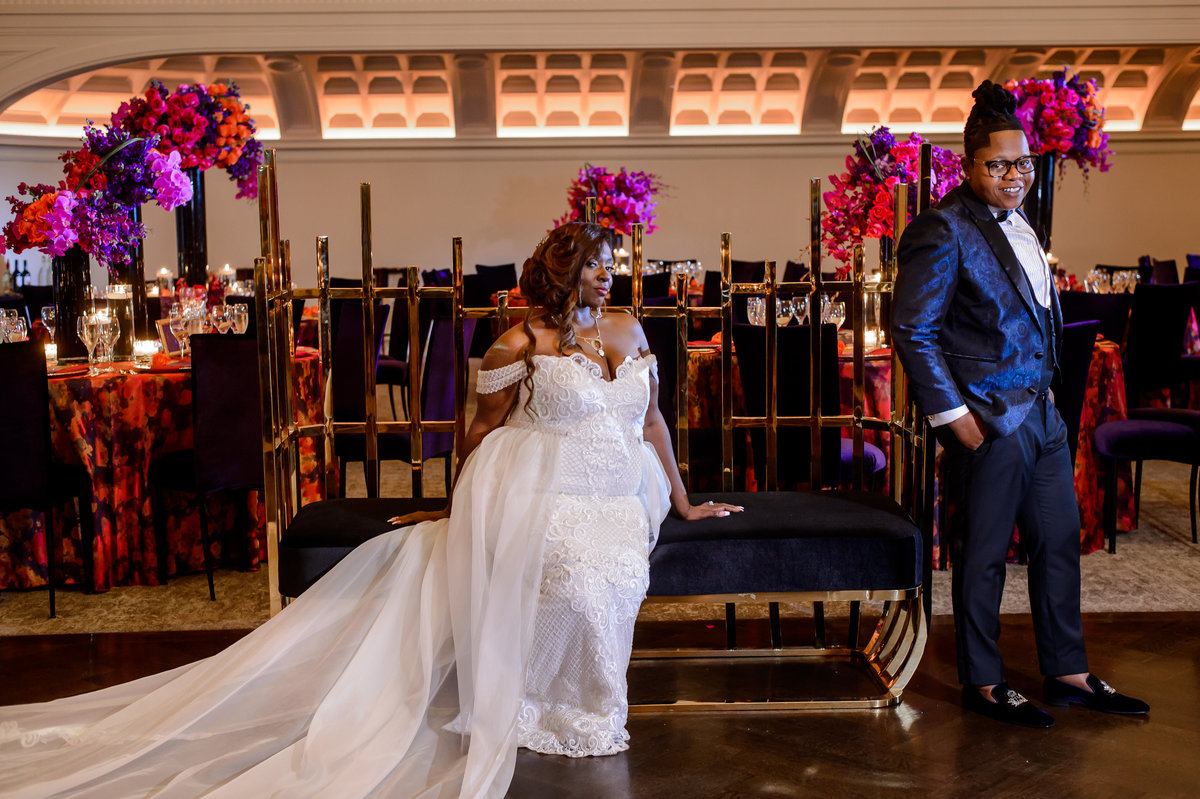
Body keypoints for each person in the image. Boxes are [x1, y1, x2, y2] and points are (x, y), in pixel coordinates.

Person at [0, 222, 741, 798]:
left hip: (626, 488)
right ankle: (545, 704)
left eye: (611, 262)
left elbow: (651, 423)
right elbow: (478, 434)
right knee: (579, 574)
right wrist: (464, 510)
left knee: (610, 568)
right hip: (545, 483)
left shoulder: (629, 330)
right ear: (563, 271)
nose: (608, 274)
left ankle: (586, 700)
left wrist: (682, 499)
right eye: (595, 263)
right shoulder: (517, 343)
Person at [891, 81, 1148, 728]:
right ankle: (983, 680)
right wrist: (956, 418)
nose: (1014, 176)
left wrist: (1050, 407)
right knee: (982, 556)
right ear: (971, 165)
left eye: (1023, 164)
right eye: (999, 165)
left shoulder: (1023, 224)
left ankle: (1067, 669)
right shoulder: (941, 229)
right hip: (987, 421)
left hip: (1043, 415)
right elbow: (913, 330)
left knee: (1058, 541)